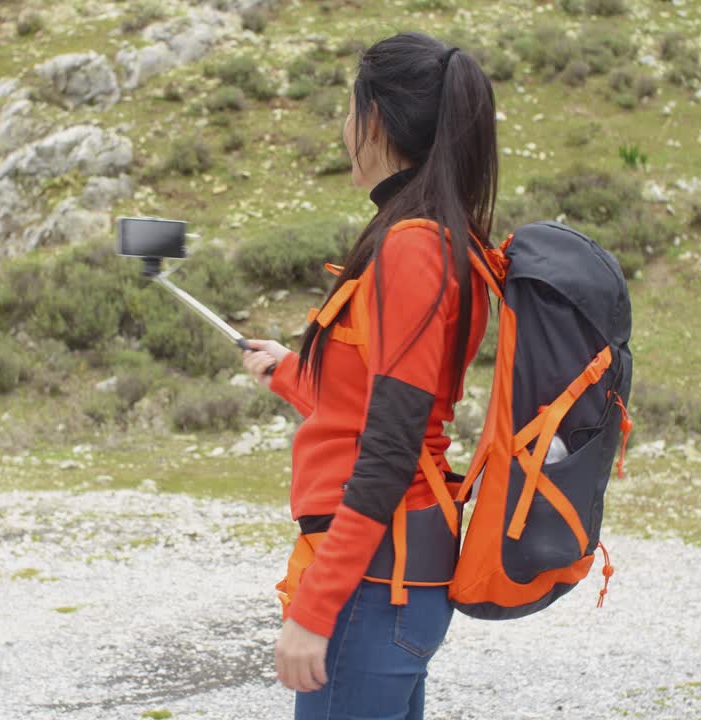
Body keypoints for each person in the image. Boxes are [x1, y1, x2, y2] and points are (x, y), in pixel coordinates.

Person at [240, 31, 499, 720]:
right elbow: (377, 400)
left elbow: (389, 447)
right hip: (390, 577)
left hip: (373, 583)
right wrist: (291, 371)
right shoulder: (441, 236)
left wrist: (315, 609)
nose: (343, 128)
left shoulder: (412, 250)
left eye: (350, 109)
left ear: (377, 120)